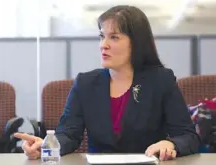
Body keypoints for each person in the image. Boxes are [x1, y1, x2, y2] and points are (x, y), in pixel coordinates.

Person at [14, 5, 200, 161]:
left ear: (136, 43)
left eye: (114, 37)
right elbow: (68, 135)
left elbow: (188, 136)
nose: (103, 45)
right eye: (102, 36)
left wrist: (171, 144)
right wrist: (45, 146)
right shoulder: (86, 83)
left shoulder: (160, 80)